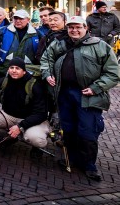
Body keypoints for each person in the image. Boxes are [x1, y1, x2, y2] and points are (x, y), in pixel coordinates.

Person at [41, 15, 120, 181]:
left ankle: (89, 165)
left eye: (78, 27)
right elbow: (46, 58)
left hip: (88, 95)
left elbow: (113, 73)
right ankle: (73, 158)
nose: (74, 30)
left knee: (88, 131)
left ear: (86, 28)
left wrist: (95, 88)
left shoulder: (100, 46)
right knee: (69, 129)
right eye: (71, 27)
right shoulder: (60, 43)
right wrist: (47, 74)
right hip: (64, 93)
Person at [0, 57, 50, 153]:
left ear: (24, 71)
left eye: (17, 68)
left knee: (37, 139)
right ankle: (11, 135)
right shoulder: (2, 82)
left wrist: (20, 126)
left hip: (30, 120)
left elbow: (41, 114)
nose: (14, 71)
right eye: (11, 68)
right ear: (8, 69)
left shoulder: (35, 86)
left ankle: (34, 146)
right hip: (8, 115)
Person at [0, 9, 41, 77]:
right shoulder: (2, 31)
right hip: (5, 70)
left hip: (28, 71)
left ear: (28, 20)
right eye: (15, 18)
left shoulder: (36, 34)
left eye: (21, 18)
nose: (18, 21)